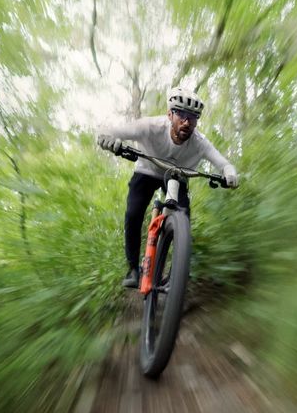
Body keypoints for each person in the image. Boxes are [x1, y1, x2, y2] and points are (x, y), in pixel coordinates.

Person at [97, 87, 239, 288]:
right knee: (133, 213)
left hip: (177, 176)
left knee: (183, 219)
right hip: (146, 171)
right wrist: (107, 139)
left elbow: (224, 164)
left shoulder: (200, 143)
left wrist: (230, 173)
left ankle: (176, 275)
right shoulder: (149, 126)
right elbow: (110, 130)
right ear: (169, 114)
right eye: (181, 114)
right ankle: (133, 269)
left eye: (192, 117)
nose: (186, 122)